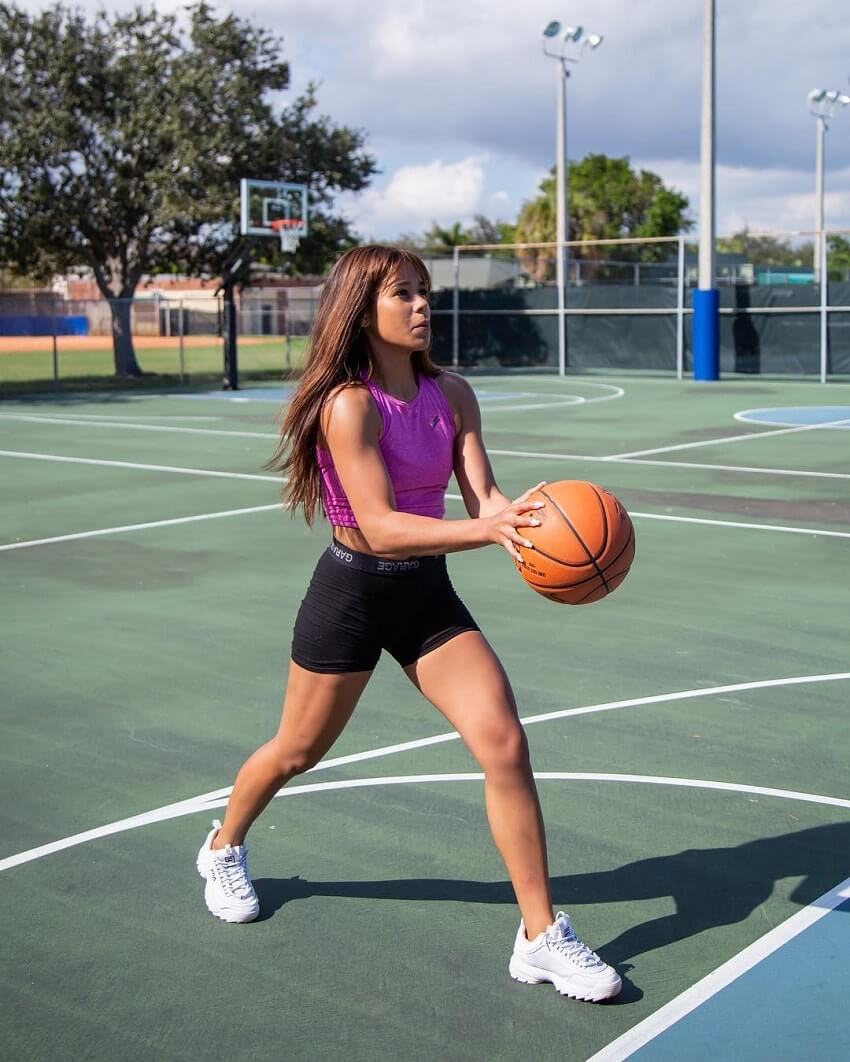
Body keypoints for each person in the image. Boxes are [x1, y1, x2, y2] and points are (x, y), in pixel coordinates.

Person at [196, 245, 621, 1003]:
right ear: (364, 309)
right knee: (296, 751)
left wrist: (522, 522)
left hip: (425, 596)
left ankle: (540, 935)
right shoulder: (346, 405)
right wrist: (486, 533)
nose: (423, 306)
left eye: (425, 292)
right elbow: (383, 527)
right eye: (404, 294)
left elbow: (483, 493)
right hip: (354, 593)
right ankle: (224, 845)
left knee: (505, 741)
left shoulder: (452, 394)